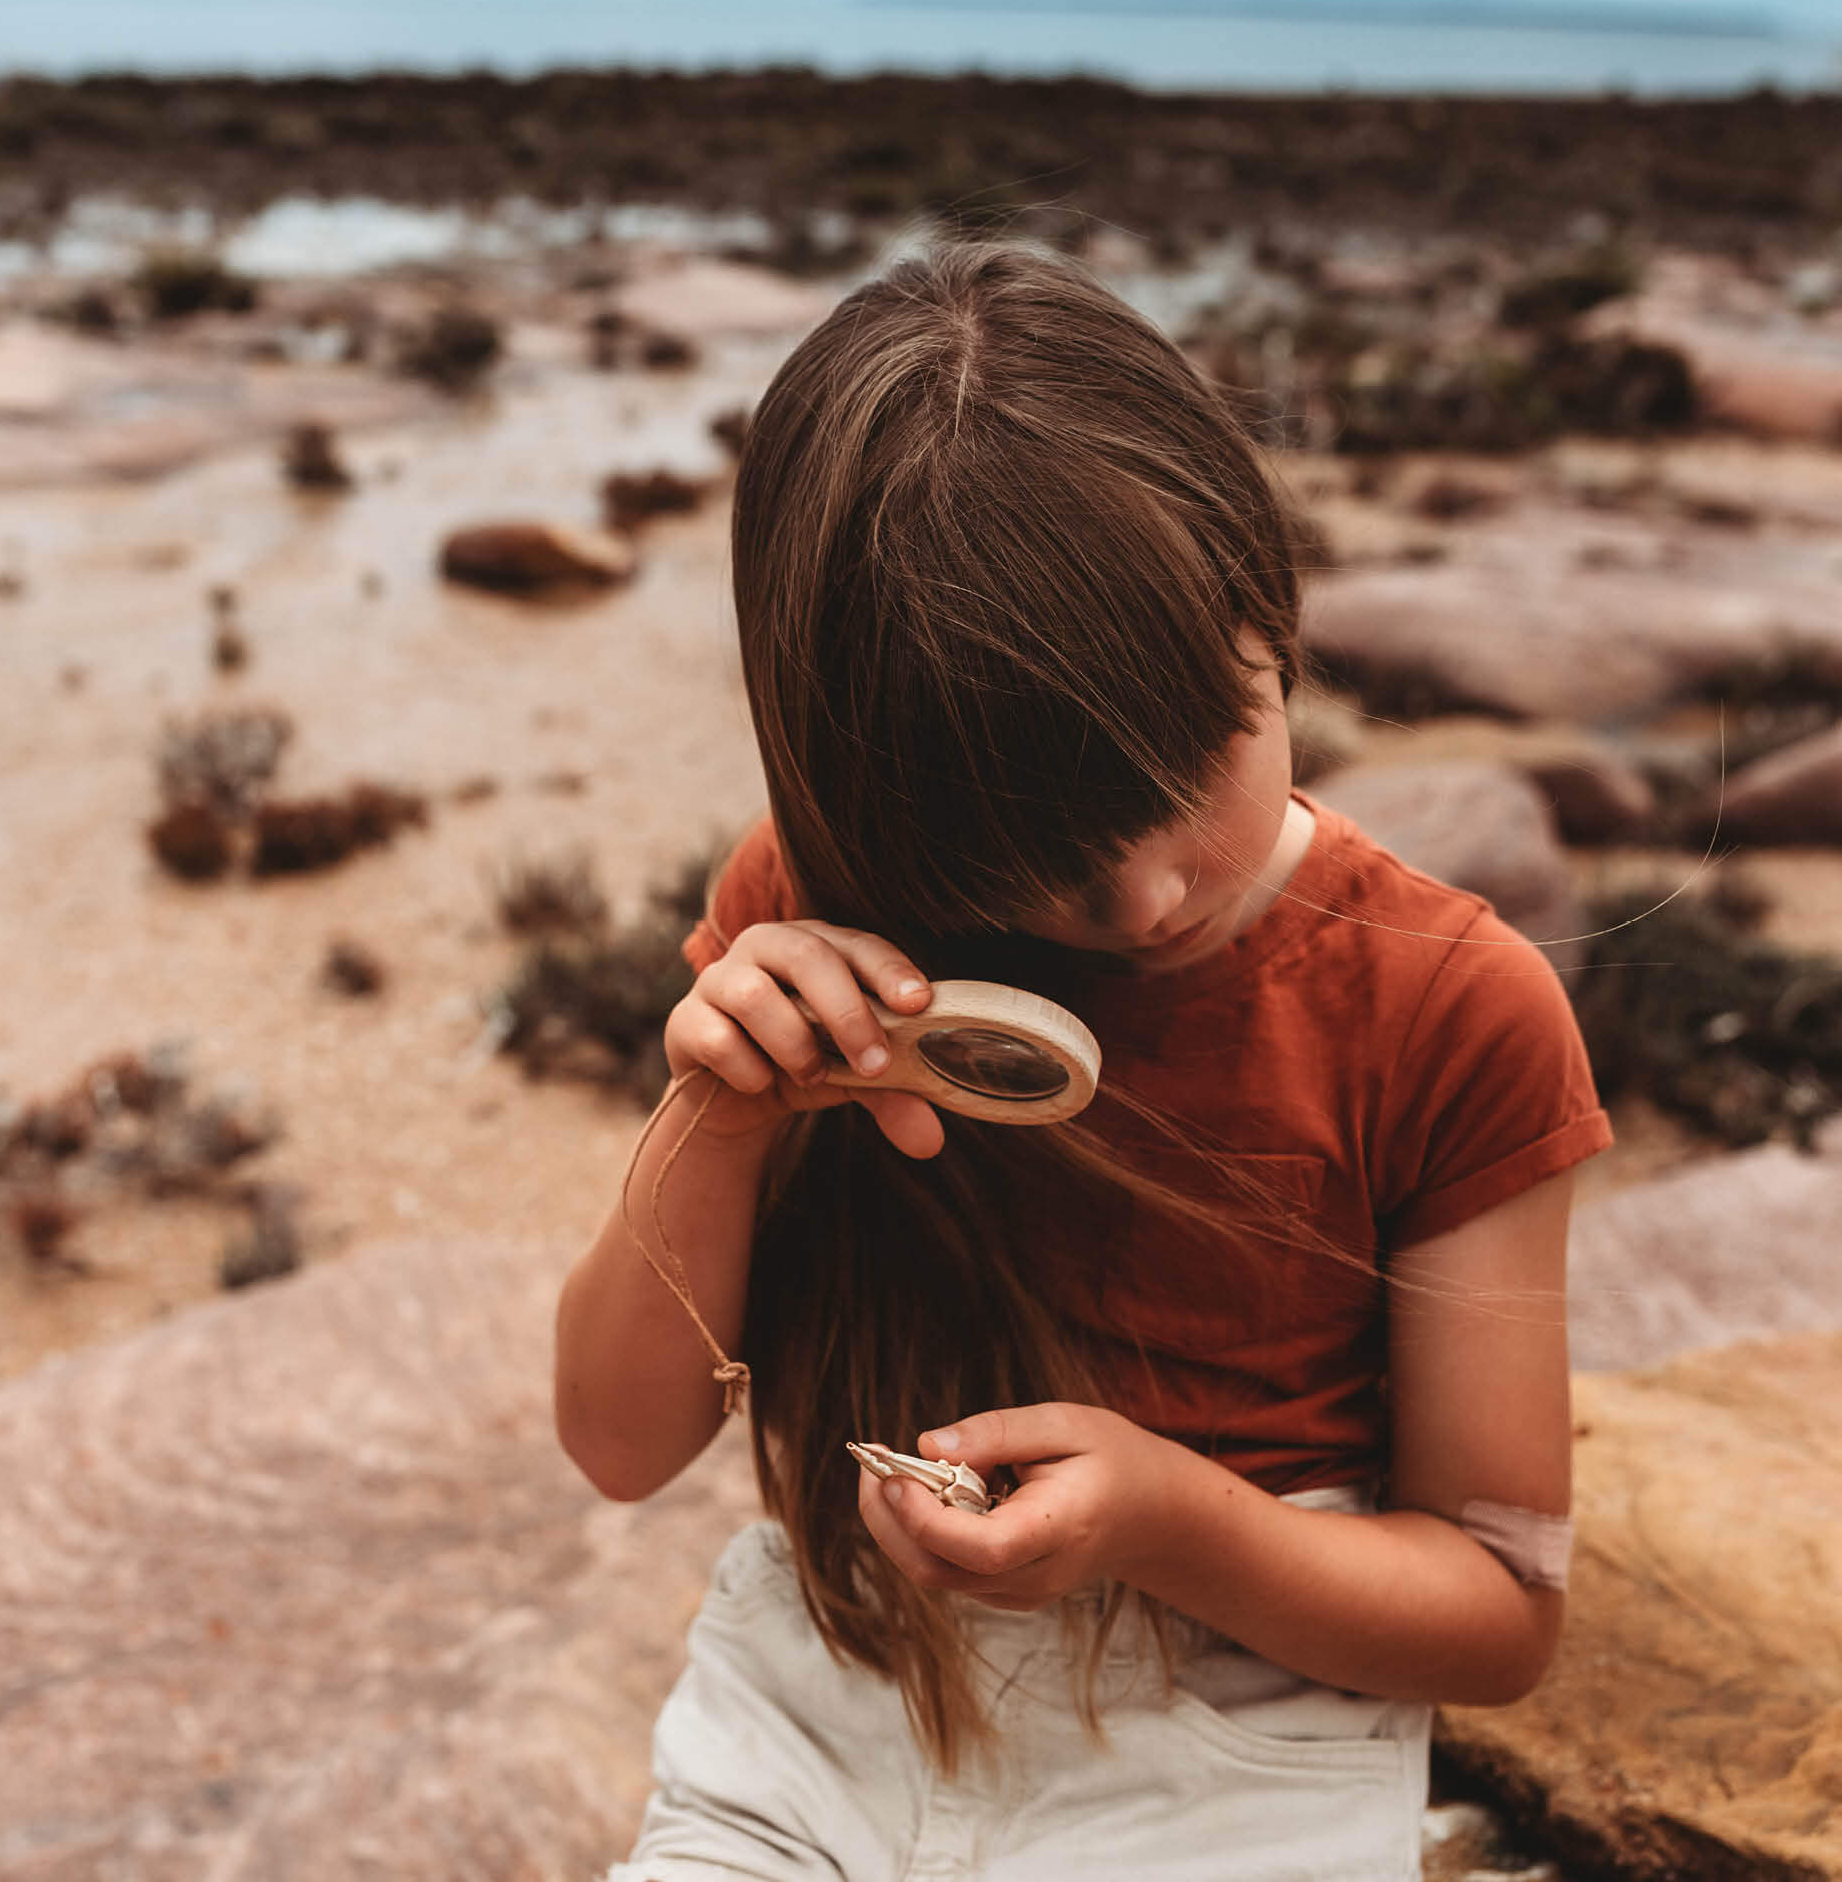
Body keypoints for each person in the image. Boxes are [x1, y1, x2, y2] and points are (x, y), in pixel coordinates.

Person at [554, 240, 1611, 1881]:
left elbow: (1500, 1614)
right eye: (1030, 851)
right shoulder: (828, 912)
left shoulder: (1448, 1009)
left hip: (1243, 1734)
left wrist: (1164, 1517)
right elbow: (618, 1443)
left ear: (1271, 612)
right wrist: (724, 1111)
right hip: (839, 1704)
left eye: (1196, 759)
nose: (1139, 895)